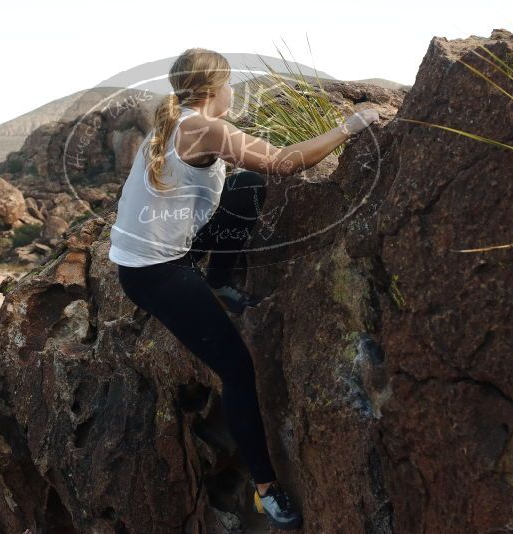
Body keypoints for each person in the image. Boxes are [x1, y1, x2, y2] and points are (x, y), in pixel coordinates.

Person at [109, 47, 378, 530]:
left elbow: (246, 173)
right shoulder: (203, 127)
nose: (234, 92)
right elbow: (285, 163)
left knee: (247, 184)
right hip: (158, 274)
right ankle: (266, 488)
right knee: (238, 369)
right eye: (229, 84)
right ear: (214, 91)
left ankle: (220, 279)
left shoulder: (174, 123)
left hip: (157, 255)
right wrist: (351, 126)